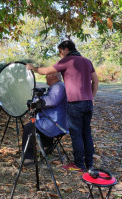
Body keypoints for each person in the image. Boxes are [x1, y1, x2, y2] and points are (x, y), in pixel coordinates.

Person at [27, 40, 99, 171]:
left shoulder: (67, 60)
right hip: (88, 103)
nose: (60, 55)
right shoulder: (87, 61)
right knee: (86, 133)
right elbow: (96, 80)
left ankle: (79, 165)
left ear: (66, 49)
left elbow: (46, 71)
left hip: (75, 103)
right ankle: (90, 164)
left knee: (76, 134)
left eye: (60, 52)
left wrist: (33, 68)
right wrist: (92, 97)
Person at [22, 72, 68, 166]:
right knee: (36, 125)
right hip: (56, 122)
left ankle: (29, 158)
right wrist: (37, 98)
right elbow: (49, 98)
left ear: (53, 76)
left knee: (29, 128)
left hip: (55, 124)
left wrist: (36, 102)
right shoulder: (58, 86)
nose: (45, 77)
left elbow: (51, 100)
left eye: (47, 75)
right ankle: (47, 145)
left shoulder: (58, 87)